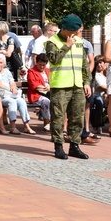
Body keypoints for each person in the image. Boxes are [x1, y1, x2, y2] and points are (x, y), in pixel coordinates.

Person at [44, 14, 91, 160]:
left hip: (77, 85)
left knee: (77, 117)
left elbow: (84, 64)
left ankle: (74, 145)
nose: (73, 34)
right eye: (71, 31)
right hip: (60, 85)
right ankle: (58, 145)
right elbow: (54, 59)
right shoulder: (52, 41)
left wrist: (87, 82)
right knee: (58, 117)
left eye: (75, 31)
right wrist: (66, 46)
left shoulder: (79, 41)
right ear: (63, 29)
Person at [0, 53, 35, 134]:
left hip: (11, 94)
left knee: (22, 101)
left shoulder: (7, 71)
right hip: (0, 95)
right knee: (12, 102)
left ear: (4, 63)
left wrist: (13, 87)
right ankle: (13, 127)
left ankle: (26, 126)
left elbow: (12, 82)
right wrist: (9, 89)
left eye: (1, 62)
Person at [90, 56, 107, 134]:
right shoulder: (96, 75)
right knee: (98, 101)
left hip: (107, 95)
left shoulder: (108, 74)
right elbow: (103, 87)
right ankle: (97, 125)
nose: (99, 65)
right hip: (97, 95)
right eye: (97, 63)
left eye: (100, 62)